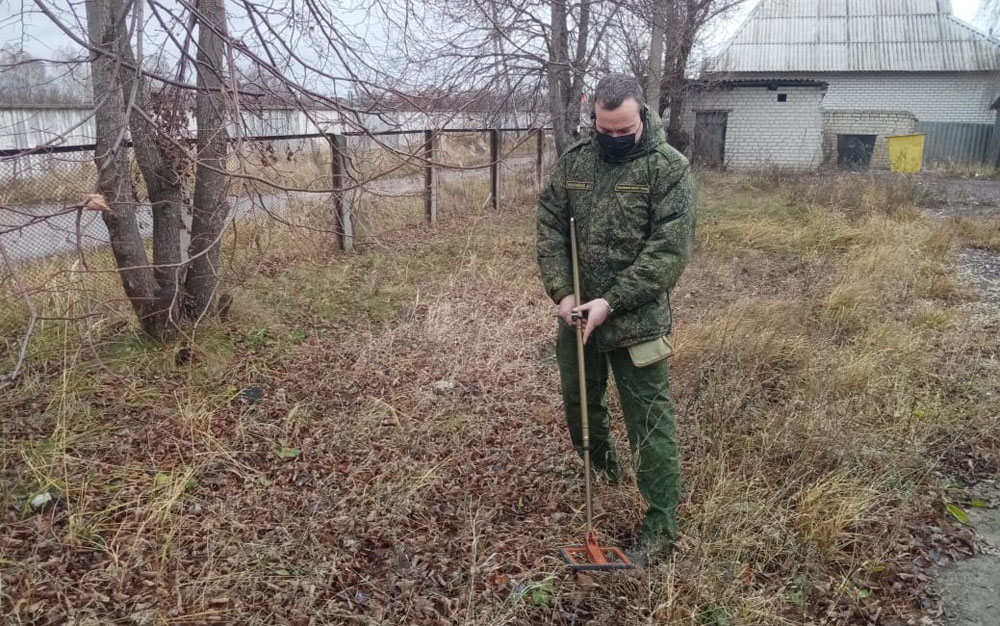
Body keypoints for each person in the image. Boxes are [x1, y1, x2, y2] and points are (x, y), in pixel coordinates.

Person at [536, 74, 696, 563]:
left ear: (642, 117)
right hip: (579, 320)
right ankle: (604, 472)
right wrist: (563, 292)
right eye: (605, 130)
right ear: (593, 119)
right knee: (579, 405)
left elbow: (668, 253)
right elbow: (549, 229)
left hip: (637, 323)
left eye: (624, 130)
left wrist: (613, 301)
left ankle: (661, 523)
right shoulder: (574, 164)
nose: (614, 139)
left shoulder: (668, 170)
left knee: (649, 421)